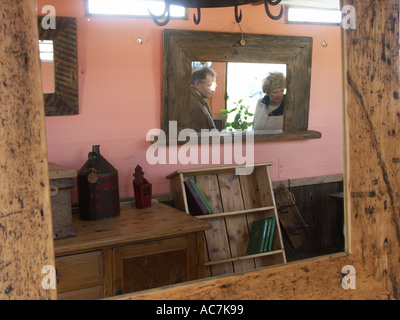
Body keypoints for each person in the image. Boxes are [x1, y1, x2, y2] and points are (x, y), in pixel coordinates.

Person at [189, 66, 217, 132]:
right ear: (197, 84)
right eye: (209, 85)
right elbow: (198, 138)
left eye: (214, 86)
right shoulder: (195, 106)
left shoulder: (195, 99)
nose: (213, 90)